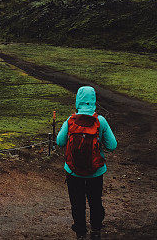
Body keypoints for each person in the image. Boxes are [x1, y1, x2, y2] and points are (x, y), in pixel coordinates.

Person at [56, 86, 117, 239]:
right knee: (95, 201)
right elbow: (112, 145)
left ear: (78, 100)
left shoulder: (70, 121)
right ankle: (96, 230)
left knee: (77, 203)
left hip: (73, 171)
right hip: (95, 171)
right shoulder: (100, 121)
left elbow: (59, 141)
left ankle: (80, 233)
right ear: (94, 100)